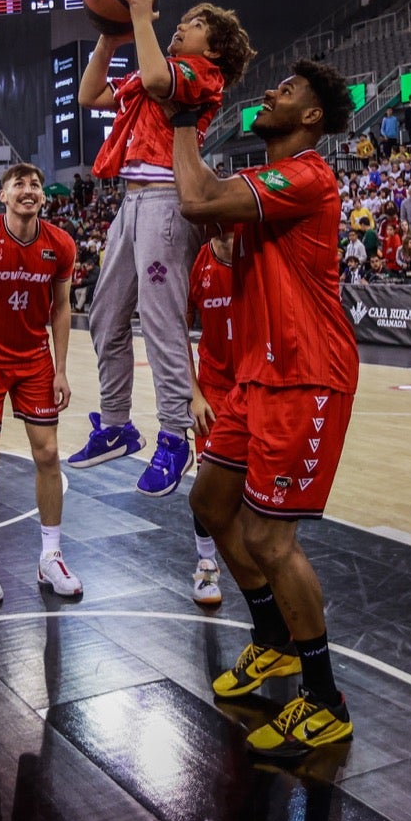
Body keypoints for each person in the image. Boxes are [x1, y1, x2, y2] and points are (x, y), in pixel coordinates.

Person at [171, 59, 358, 760]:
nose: (271, 93)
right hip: (258, 375)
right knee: (212, 505)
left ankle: (325, 698)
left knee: (273, 542)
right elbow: (208, 215)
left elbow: (196, 200)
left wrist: (182, 114)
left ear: (310, 117)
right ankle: (273, 638)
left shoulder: (307, 173)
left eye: (288, 92)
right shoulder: (263, 182)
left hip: (307, 375)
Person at [69, 0, 256, 499]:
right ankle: (115, 424)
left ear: (214, 48)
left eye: (192, 25)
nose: (178, 28)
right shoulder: (165, 64)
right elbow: (91, 95)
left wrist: (136, 17)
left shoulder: (201, 75)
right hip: (131, 201)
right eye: (179, 23)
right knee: (104, 316)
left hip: (168, 201)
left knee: (160, 319)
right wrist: (109, 36)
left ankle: (174, 435)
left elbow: (154, 80)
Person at [0, 163, 79, 602]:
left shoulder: (60, 244)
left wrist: (61, 367)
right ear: (2, 195)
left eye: (35, 185)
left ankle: (50, 556)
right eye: (19, 185)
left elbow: (61, 309)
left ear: (43, 197)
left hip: (34, 359)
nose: (29, 190)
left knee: (49, 454)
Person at [184, 226, 237, 606]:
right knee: (207, 483)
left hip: (258, 383)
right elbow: (176, 332)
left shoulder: (259, 253)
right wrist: (194, 393)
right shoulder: (197, 264)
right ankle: (206, 564)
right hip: (214, 389)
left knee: (258, 486)